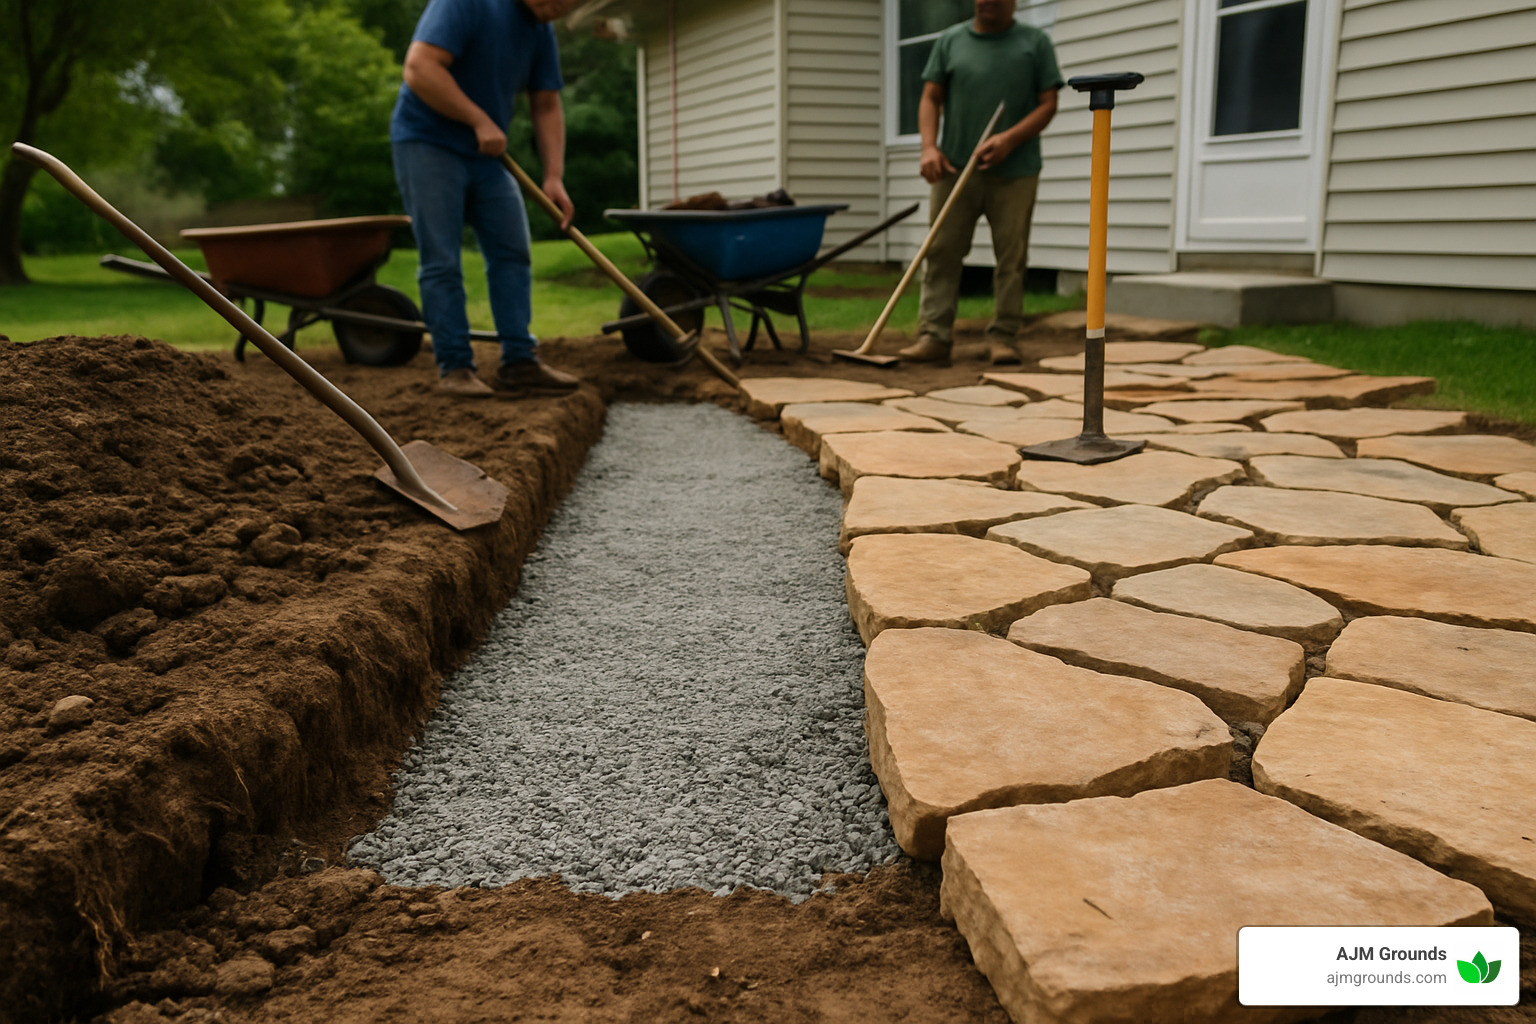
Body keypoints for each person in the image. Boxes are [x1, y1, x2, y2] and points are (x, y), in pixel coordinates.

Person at [391, 0, 583, 398]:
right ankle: (455, 367)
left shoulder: (540, 29)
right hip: (428, 142)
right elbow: (420, 67)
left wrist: (553, 176)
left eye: (573, 4)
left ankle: (519, 361)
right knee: (442, 259)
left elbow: (546, 103)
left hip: (488, 156)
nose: (562, 8)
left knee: (512, 251)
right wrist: (478, 119)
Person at [901, 0, 1063, 367]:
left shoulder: (1034, 43)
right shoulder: (951, 41)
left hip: (1016, 171)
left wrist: (1009, 140)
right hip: (954, 168)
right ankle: (934, 336)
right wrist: (928, 148)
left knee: (1011, 258)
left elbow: (1048, 103)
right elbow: (930, 97)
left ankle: (1004, 337)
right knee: (941, 251)